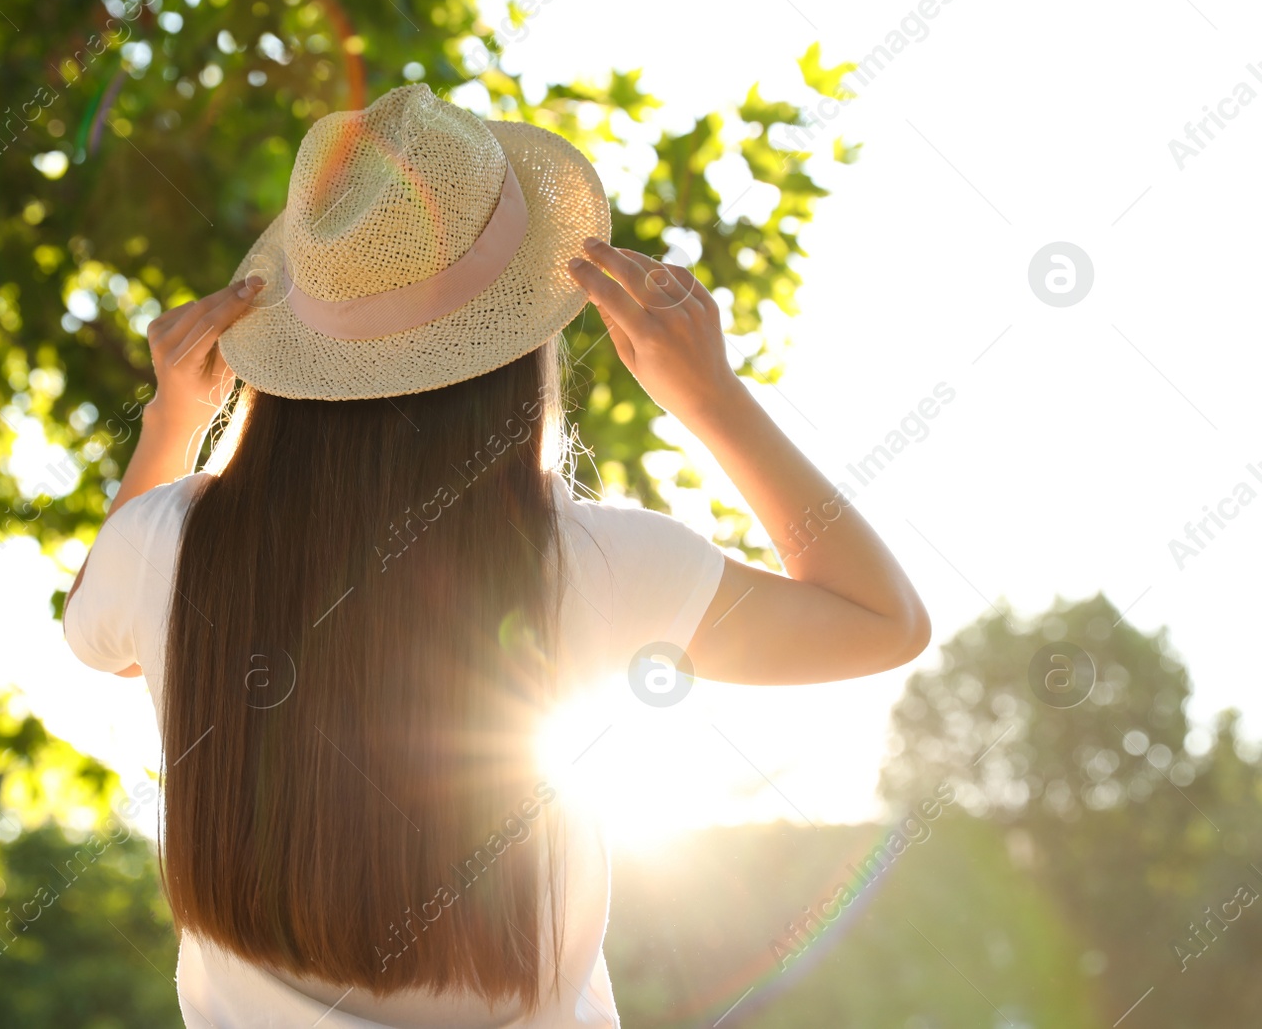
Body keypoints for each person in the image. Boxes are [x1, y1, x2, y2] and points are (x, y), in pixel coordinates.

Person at [63, 84, 930, 1028]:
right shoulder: (601, 560)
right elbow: (881, 623)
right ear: (524, 345)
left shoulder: (170, 545)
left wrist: (172, 423)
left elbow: (100, 636)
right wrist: (711, 397)